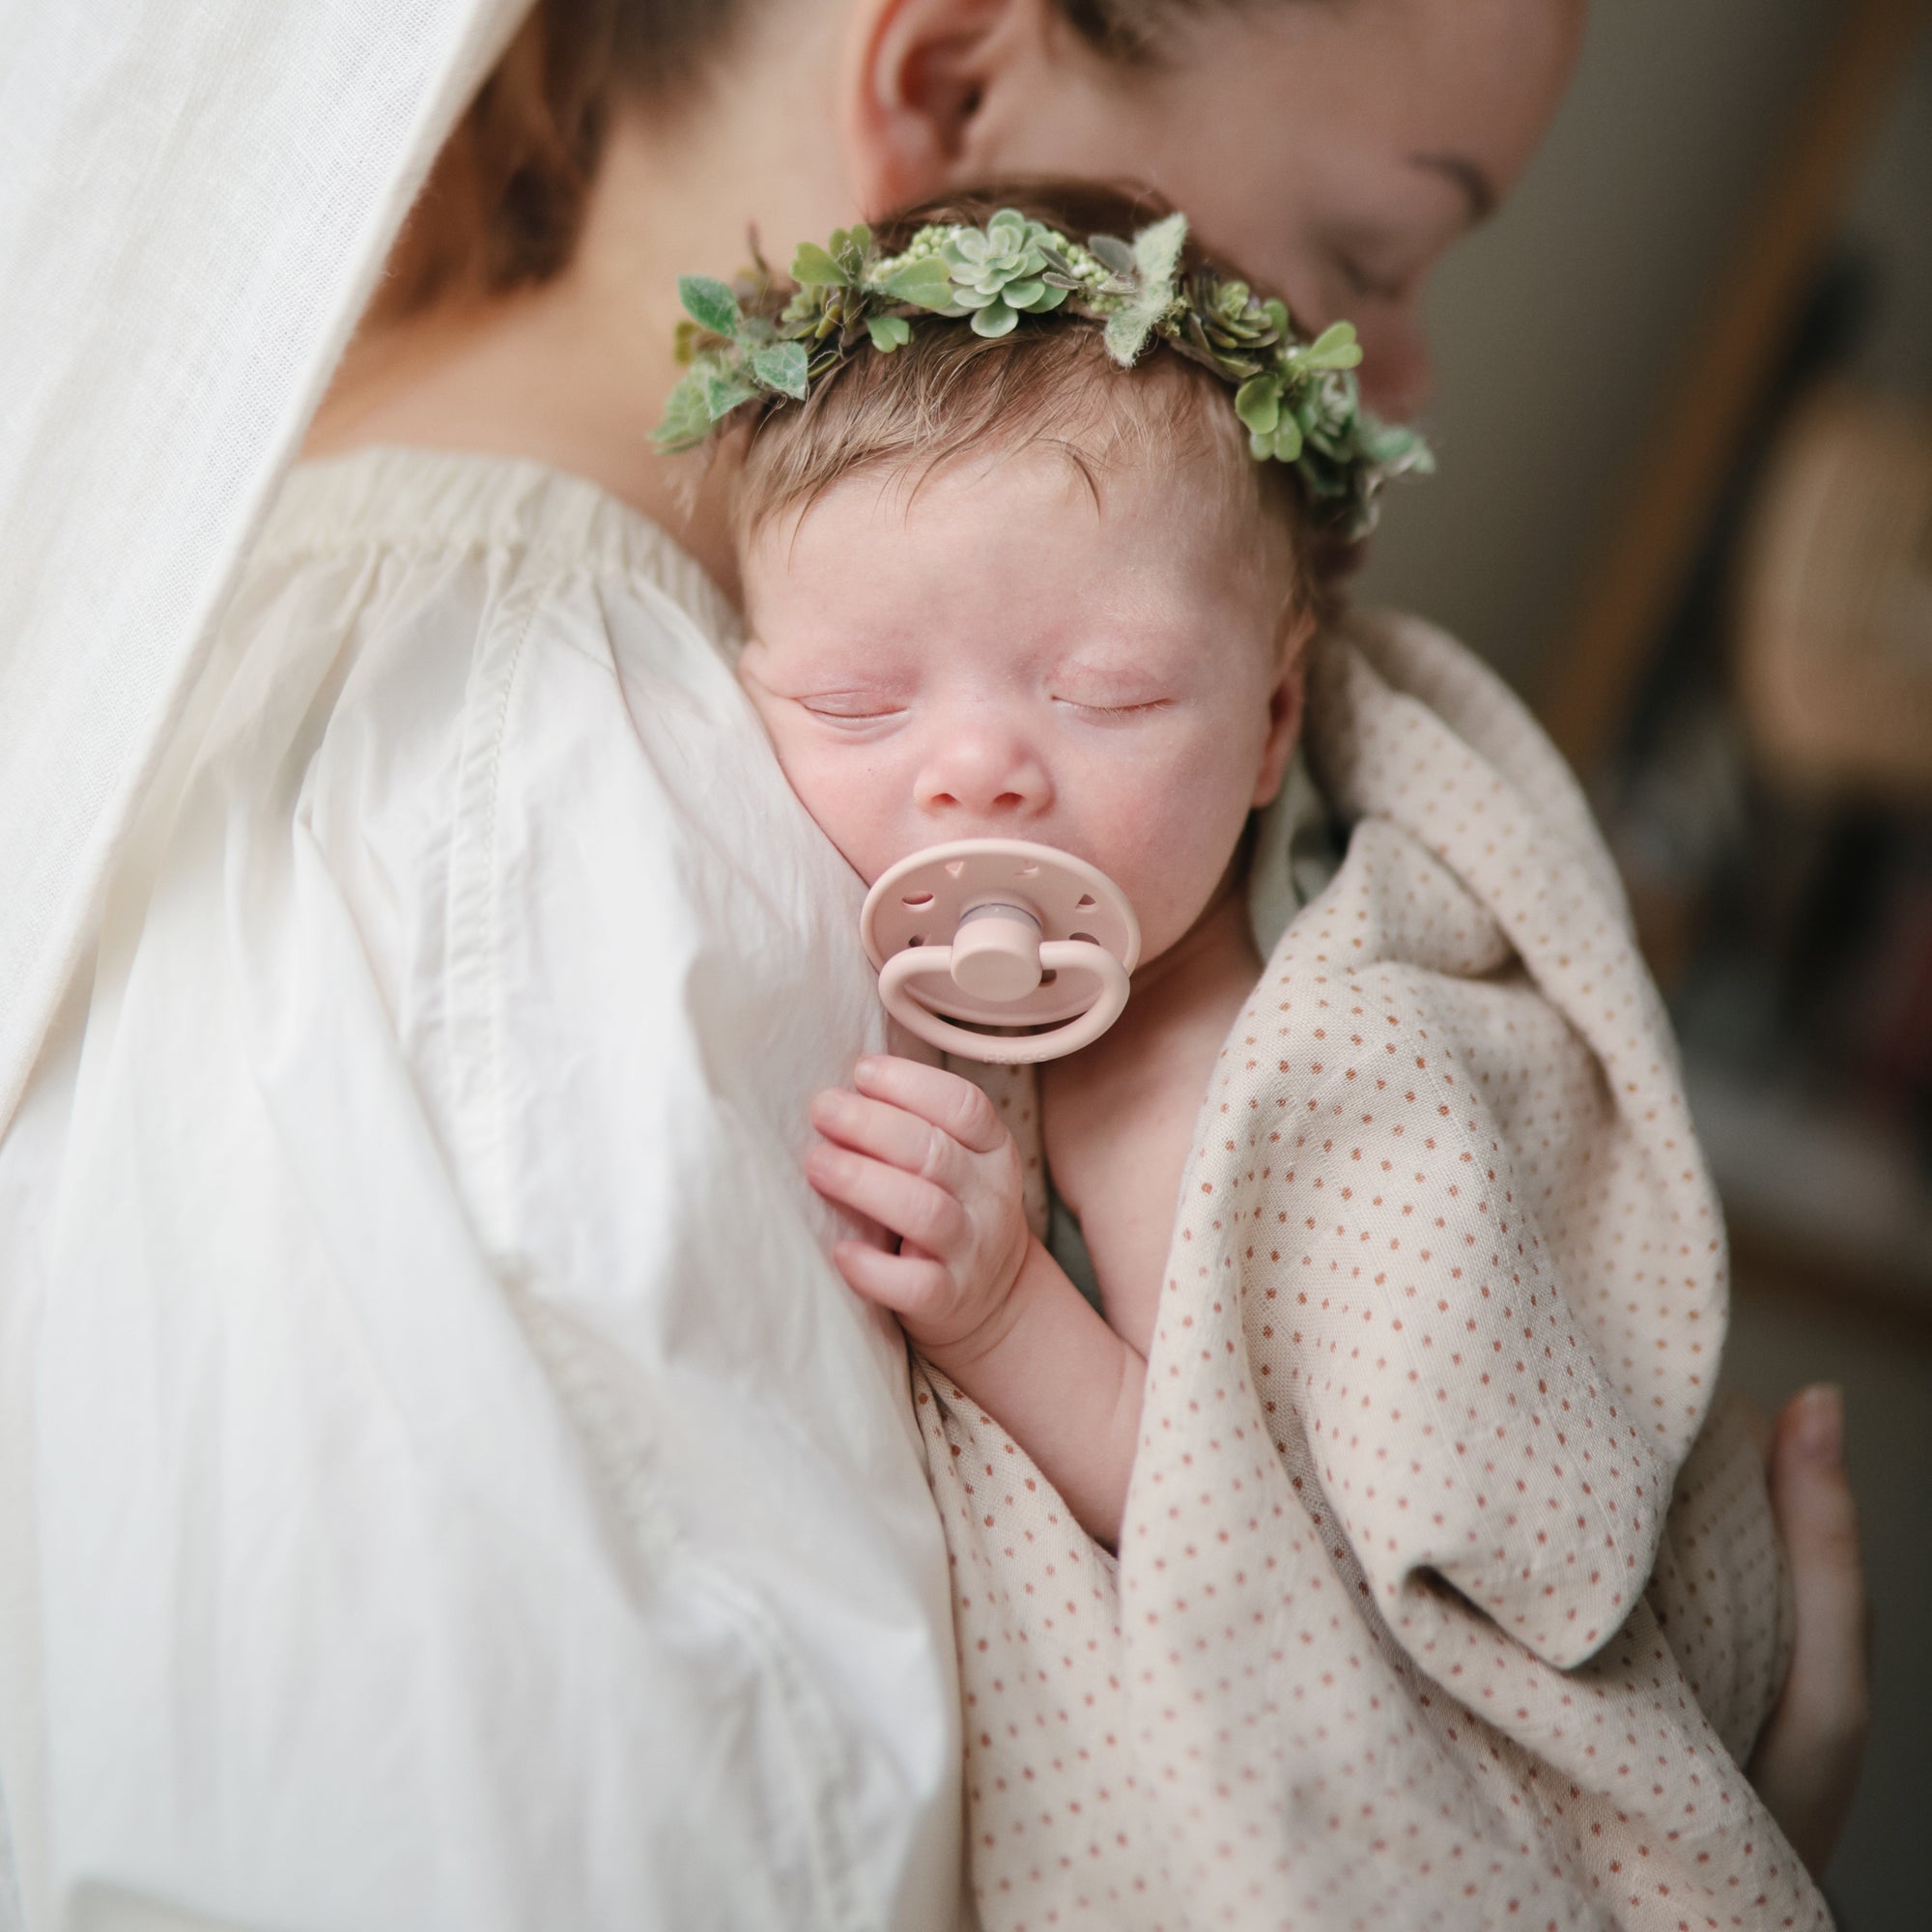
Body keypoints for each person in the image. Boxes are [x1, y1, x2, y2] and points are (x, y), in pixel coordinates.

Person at [0, 0, 1865, 1924]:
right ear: (949, 86)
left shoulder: (291, 590)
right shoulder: (537, 819)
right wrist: (1611, 1838)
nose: (1390, 371)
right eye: (1367, 253)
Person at [704, 185, 1825, 1924]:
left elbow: (1238, 1530)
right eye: (860, 706)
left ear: (1273, 723)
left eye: (1112, 691)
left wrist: (1004, 1316)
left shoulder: (1252, 1062)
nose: (977, 771)